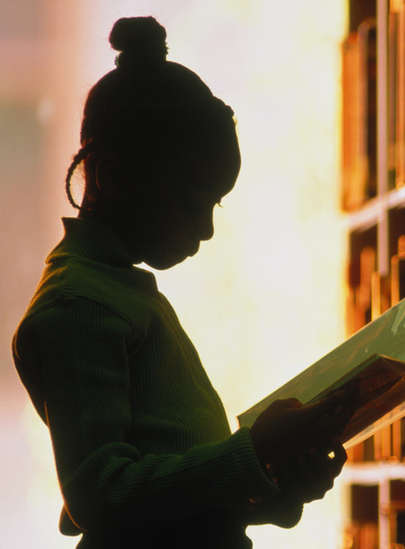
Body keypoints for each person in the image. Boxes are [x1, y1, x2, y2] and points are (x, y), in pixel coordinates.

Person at [11, 16, 349, 549]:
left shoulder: (119, 293)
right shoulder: (79, 306)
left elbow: (172, 502)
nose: (209, 230)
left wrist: (277, 482)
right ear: (115, 178)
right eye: (193, 205)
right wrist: (252, 454)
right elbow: (101, 497)